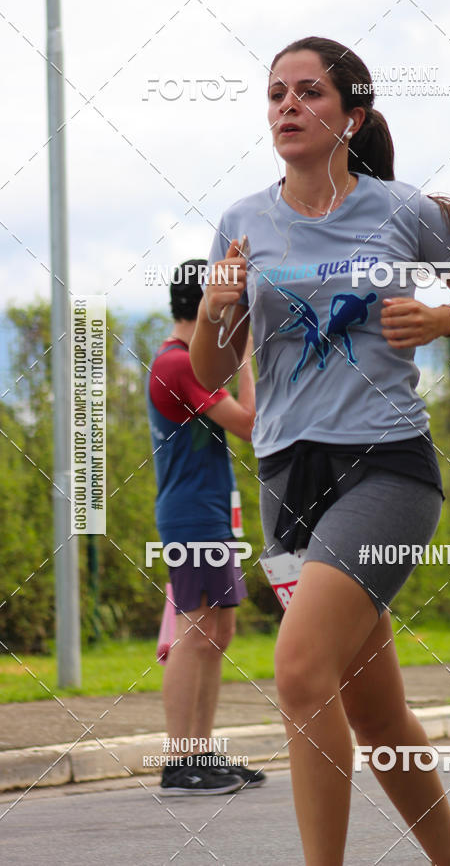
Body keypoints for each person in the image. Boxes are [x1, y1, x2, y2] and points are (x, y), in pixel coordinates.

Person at [190, 37, 450, 863]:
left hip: (386, 465)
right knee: (372, 713)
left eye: (309, 93)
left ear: (351, 115)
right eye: (275, 94)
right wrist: (222, 309)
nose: (288, 105)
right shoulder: (241, 222)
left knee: (298, 671)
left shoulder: (403, 212)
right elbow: (212, 368)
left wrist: (446, 319)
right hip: (287, 477)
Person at [147, 259, 265, 795]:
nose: (236, 314)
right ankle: (179, 761)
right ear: (206, 305)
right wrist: (246, 357)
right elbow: (251, 426)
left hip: (211, 513)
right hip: (191, 517)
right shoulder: (177, 365)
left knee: (217, 632)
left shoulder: (191, 364)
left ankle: (201, 751)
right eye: (230, 304)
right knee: (196, 632)